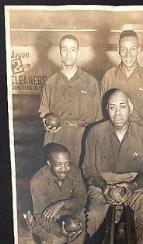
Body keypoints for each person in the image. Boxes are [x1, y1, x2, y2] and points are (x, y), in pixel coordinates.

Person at [82, 88, 143, 244]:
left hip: (134, 183)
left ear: (130, 106)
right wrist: (104, 186)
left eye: (122, 106)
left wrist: (132, 186)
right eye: (113, 107)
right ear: (106, 109)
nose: (118, 113)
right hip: (102, 182)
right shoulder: (95, 133)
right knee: (94, 215)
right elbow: (89, 168)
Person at [39, 34, 102, 166]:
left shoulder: (91, 82)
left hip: (82, 139)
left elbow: (98, 119)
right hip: (57, 139)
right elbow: (44, 112)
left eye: (73, 49)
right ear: (60, 53)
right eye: (64, 49)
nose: (68, 54)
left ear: (78, 53)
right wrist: (46, 122)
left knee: (82, 178)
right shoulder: (50, 83)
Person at [28, 143, 87, 244]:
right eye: (58, 165)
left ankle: (71, 242)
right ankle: (32, 224)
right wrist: (61, 229)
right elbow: (40, 216)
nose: (64, 169)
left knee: (86, 241)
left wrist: (62, 204)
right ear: (49, 164)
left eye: (67, 164)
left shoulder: (75, 172)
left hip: (70, 211)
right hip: (47, 218)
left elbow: (81, 200)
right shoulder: (37, 181)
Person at [101, 30, 143, 130]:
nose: (128, 54)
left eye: (132, 49)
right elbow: (103, 111)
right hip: (112, 135)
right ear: (118, 50)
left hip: (139, 135)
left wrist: (139, 136)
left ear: (139, 49)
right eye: (124, 49)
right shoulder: (108, 76)